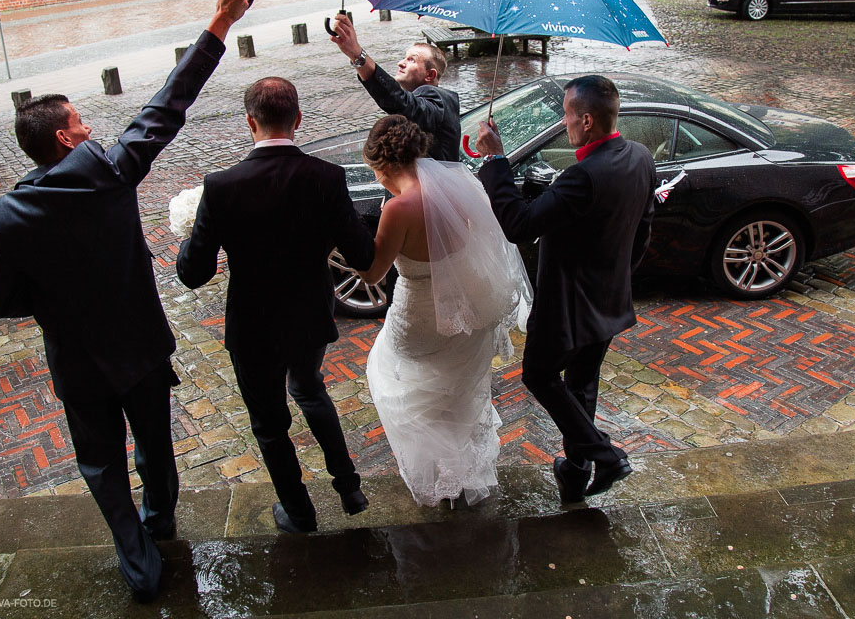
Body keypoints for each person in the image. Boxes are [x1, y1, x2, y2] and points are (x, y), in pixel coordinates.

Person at [0, 0, 252, 603]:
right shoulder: (109, 170)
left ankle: (137, 557)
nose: (92, 127)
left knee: (99, 460)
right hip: (140, 347)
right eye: (81, 122)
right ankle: (161, 523)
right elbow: (167, 106)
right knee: (155, 444)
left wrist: (57, 298)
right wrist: (219, 23)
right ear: (67, 141)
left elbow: (3, 303)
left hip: (76, 359)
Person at [175, 77, 375, 534]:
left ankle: (299, 512)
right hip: (309, 315)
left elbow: (193, 273)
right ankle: (349, 486)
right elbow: (363, 256)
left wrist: (192, 235)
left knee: (269, 423)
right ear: (299, 119)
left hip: (254, 325)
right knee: (310, 390)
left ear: (250, 122)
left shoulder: (221, 186)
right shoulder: (326, 176)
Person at [475, 75, 656, 505]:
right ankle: (575, 472)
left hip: (565, 305)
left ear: (588, 120)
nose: (565, 122)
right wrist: (618, 276)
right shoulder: (640, 156)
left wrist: (495, 161)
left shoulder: (584, 176)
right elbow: (643, 230)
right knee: (582, 387)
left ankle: (604, 455)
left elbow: (520, 226)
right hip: (609, 300)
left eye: (569, 116)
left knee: (538, 375)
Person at [359, 116, 530, 507]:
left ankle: (438, 477)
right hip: (465, 308)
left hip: (417, 315)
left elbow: (373, 273)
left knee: (407, 389)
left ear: (382, 167)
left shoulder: (398, 209)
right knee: (454, 395)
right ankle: (461, 479)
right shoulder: (459, 188)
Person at [329, 14, 461, 162]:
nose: (401, 63)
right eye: (405, 57)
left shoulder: (435, 97)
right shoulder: (433, 102)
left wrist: (357, 54)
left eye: (412, 60)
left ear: (430, 75)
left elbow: (401, 102)